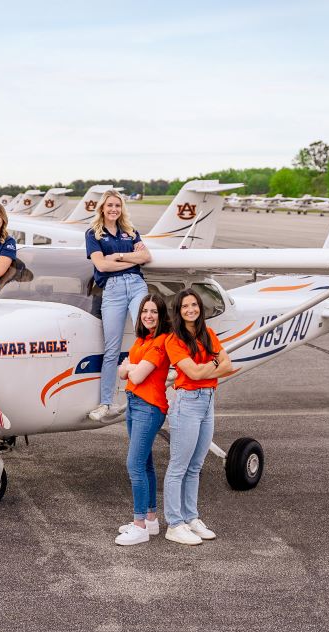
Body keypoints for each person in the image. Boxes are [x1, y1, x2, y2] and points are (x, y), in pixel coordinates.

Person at [162, 289, 234, 546]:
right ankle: (174, 523)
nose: (190, 309)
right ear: (179, 312)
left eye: (194, 305)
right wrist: (212, 367)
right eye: (185, 306)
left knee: (196, 466)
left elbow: (228, 364)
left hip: (208, 401)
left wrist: (205, 369)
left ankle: (191, 517)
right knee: (178, 466)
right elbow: (192, 373)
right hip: (187, 404)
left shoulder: (207, 333)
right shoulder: (174, 339)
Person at [84, 189, 151, 421]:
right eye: (110, 205)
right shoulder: (93, 233)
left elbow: (145, 258)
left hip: (136, 286)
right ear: (102, 208)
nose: (114, 209)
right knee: (111, 349)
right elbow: (101, 267)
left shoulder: (131, 232)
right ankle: (106, 403)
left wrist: (117, 258)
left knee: (146, 334)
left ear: (122, 209)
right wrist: (128, 259)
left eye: (117, 206)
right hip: (111, 290)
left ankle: (150, 392)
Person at [114, 293, 172, 546]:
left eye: (154, 312)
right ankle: (150, 519)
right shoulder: (142, 340)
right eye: (145, 311)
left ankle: (139, 526)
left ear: (162, 316)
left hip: (149, 407)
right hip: (135, 404)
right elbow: (121, 370)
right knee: (145, 464)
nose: (148, 316)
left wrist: (129, 368)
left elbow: (135, 376)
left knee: (134, 465)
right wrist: (129, 368)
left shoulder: (160, 342)